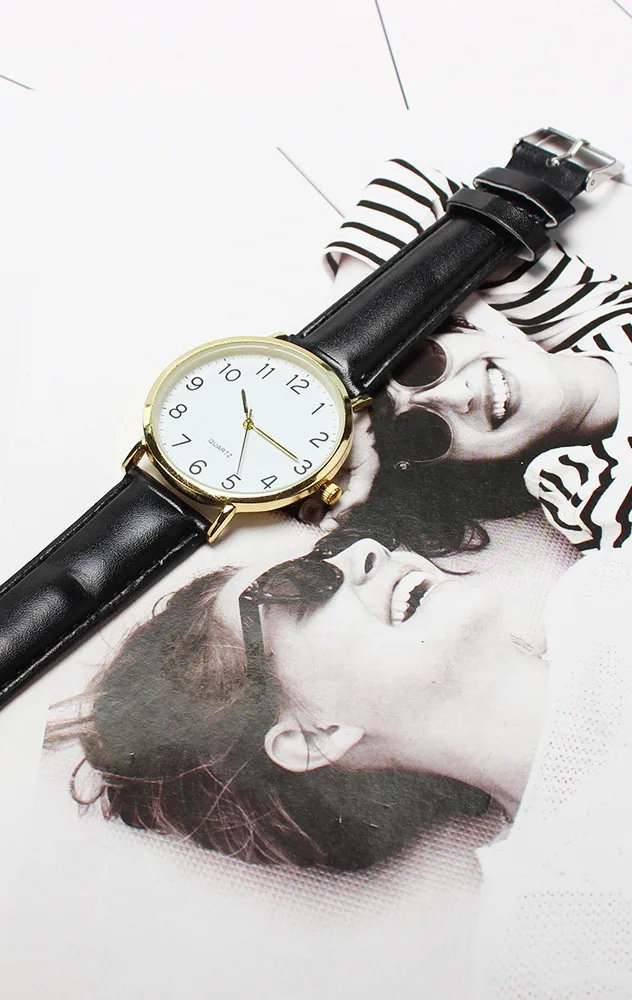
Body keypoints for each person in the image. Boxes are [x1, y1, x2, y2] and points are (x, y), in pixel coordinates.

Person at [50, 528, 632, 995]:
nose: (366, 549)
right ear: (311, 737)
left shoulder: (606, 588)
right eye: (297, 586)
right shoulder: (557, 939)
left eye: (334, 545)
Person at [322, 158, 632, 554]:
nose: (459, 396)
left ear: (461, 328)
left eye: (422, 366)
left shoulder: (585, 311)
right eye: (423, 433)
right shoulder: (594, 498)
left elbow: (419, 188)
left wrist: (344, 367)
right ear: (469, 470)